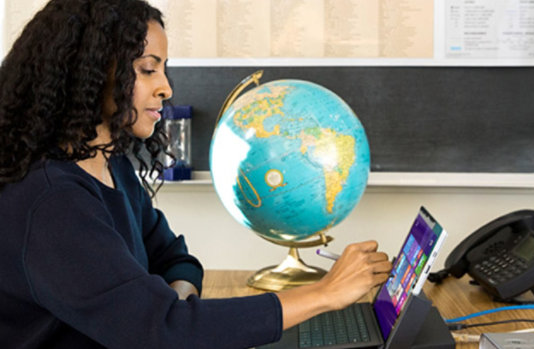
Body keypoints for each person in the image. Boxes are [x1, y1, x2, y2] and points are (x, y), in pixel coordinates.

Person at [0, 0, 392, 348]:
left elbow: (174, 258)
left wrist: (177, 304)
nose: (166, 88)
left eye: (164, 70)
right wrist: (326, 293)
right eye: (148, 70)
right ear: (91, 72)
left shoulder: (109, 164)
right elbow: (159, 331)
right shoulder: (51, 201)